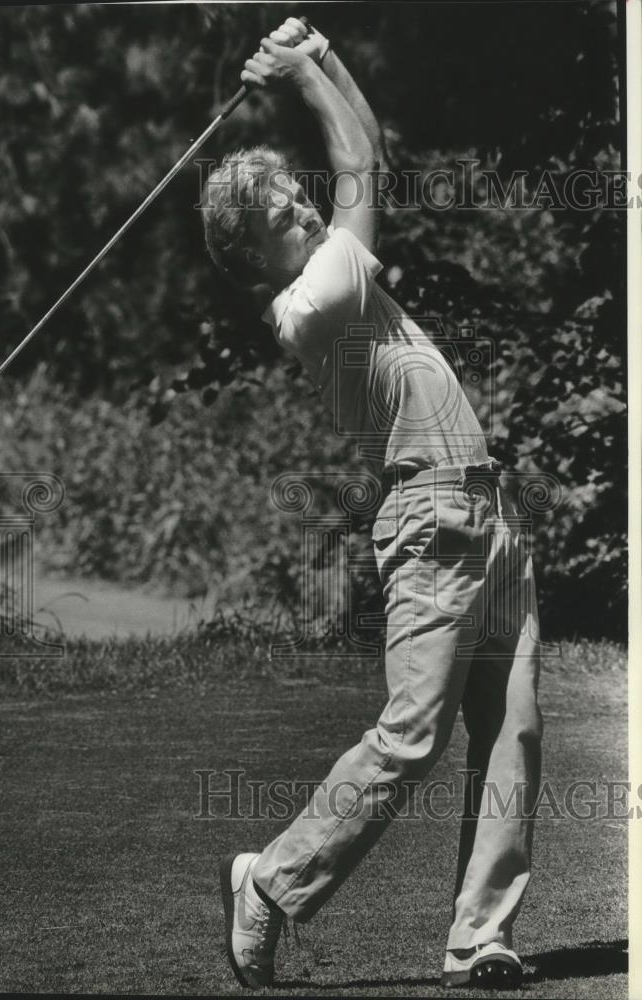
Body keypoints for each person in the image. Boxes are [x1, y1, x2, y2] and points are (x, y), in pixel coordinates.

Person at [200, 17, 542, 992]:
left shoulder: (335, 276)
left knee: (513, 731)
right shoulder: (314, 300)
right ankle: (270, 882)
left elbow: (365, 149)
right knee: (410, 736)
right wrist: (303, 69)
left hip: (493, 517)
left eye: (296, 200)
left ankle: (481, 937)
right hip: (431, 520)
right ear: (257, 253)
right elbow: (360, 165)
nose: (305, 212)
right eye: (281, 212)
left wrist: (319, 52)